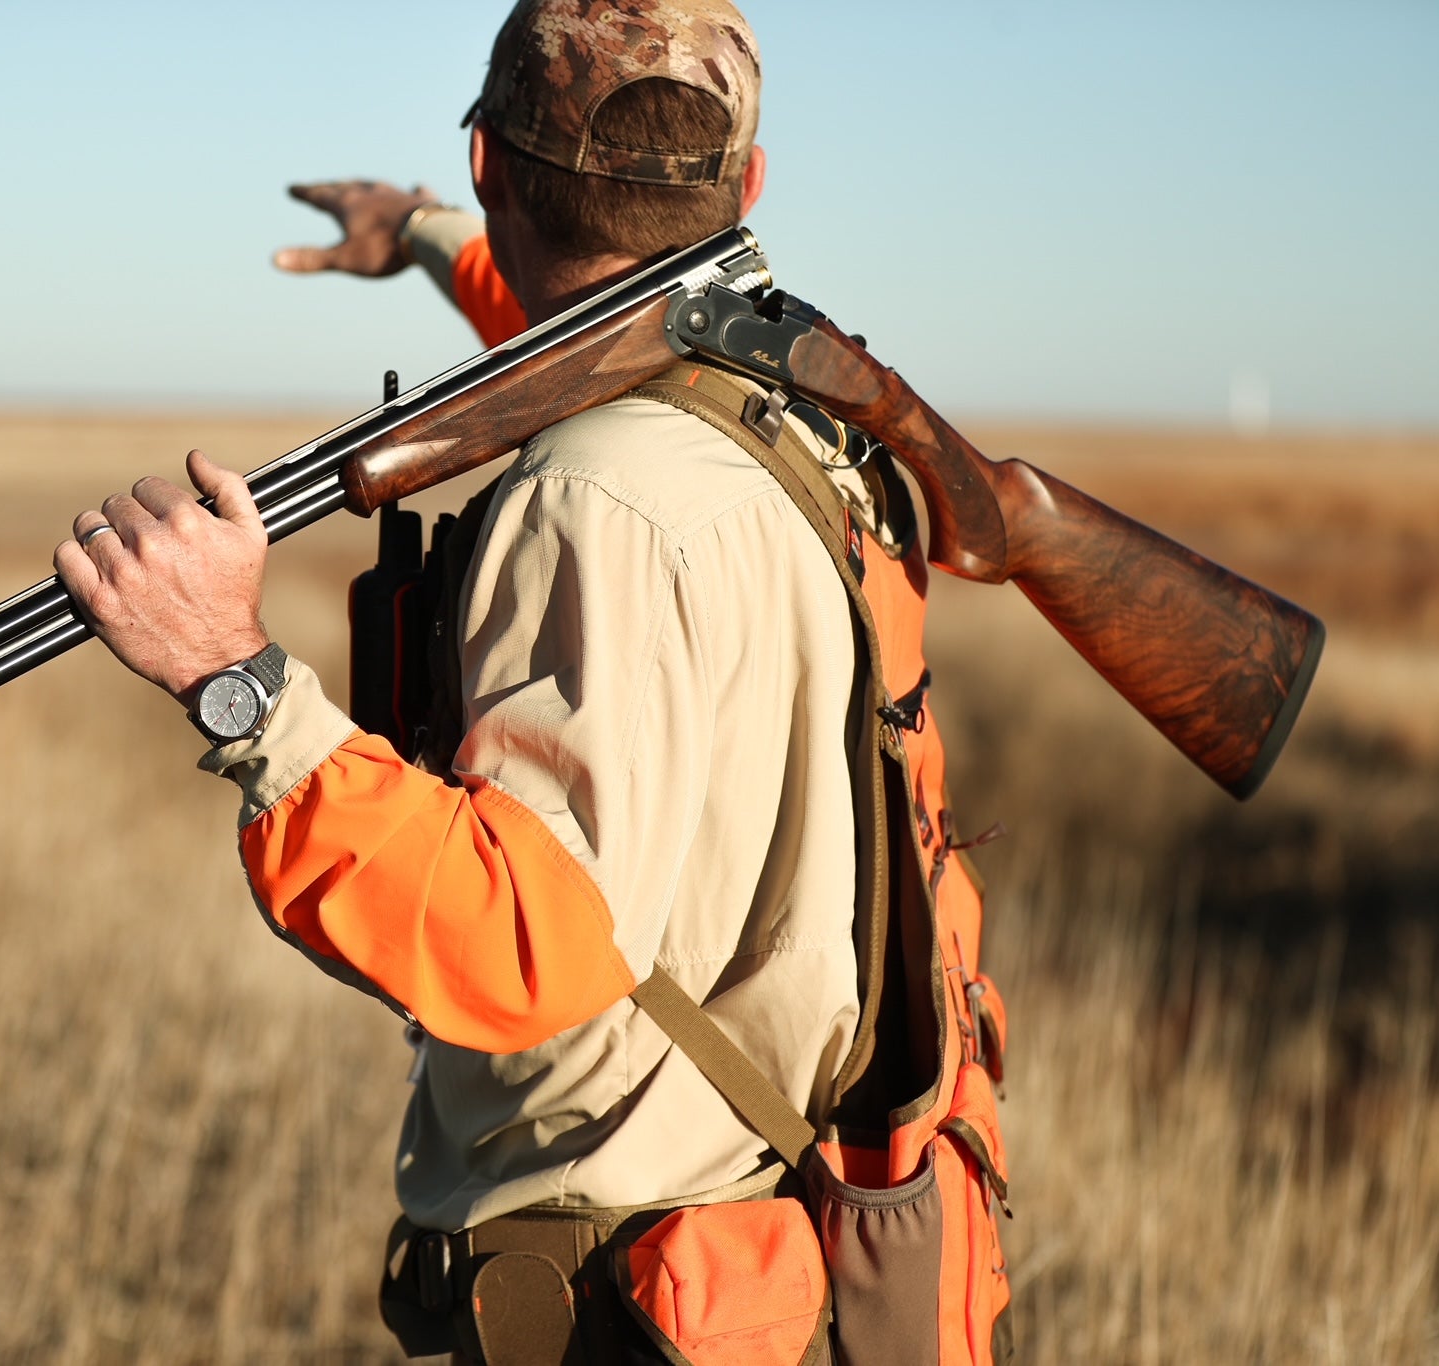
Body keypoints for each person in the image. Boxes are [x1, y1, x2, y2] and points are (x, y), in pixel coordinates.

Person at [55, 3, 1010, 1361]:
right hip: (789, 1250)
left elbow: (524, 941)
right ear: (747, 184)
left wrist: (238, 683)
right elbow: (599, 328)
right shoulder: (803, 420)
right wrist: (426, 236)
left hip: (626, 1298)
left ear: (493, 165)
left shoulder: (593, 499)